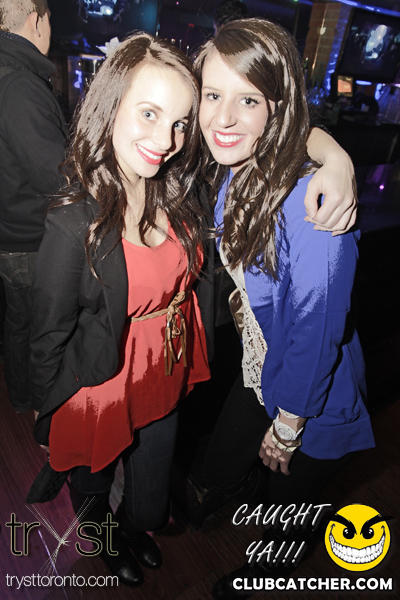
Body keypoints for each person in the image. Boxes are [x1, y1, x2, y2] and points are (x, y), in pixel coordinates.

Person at [193, 18, 375, 600]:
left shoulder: (313, 212)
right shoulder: (239, 169)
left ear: (276, 106)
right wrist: (335, 152)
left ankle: (268, 574)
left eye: (247, 100)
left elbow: (315, 335)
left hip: (311, 395)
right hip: (262, 364)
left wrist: (290, 426)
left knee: (289, 515)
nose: (222, 119)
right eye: (212, 95)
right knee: (222, 469)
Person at [30, 33, 211, 587]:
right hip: (102, 383)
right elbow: (47, 335)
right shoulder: (74, 223)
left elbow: (261, 133)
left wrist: (333, 157)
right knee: (92, 483)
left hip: (165, 370)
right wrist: (49, 413)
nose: (166, 140)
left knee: (151, 497)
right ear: (110, 106)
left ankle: (132, 528)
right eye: (149, 113)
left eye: (180, 123)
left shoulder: (178, 191)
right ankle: (106, 539)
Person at [0, 0, 67, 414]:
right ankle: (31, 405)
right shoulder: (19, 85)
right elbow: (54, 175)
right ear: (35, 19)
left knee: (19, 321)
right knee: (35, 327)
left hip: (10, 227)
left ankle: (21, 398)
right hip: (27, 235)